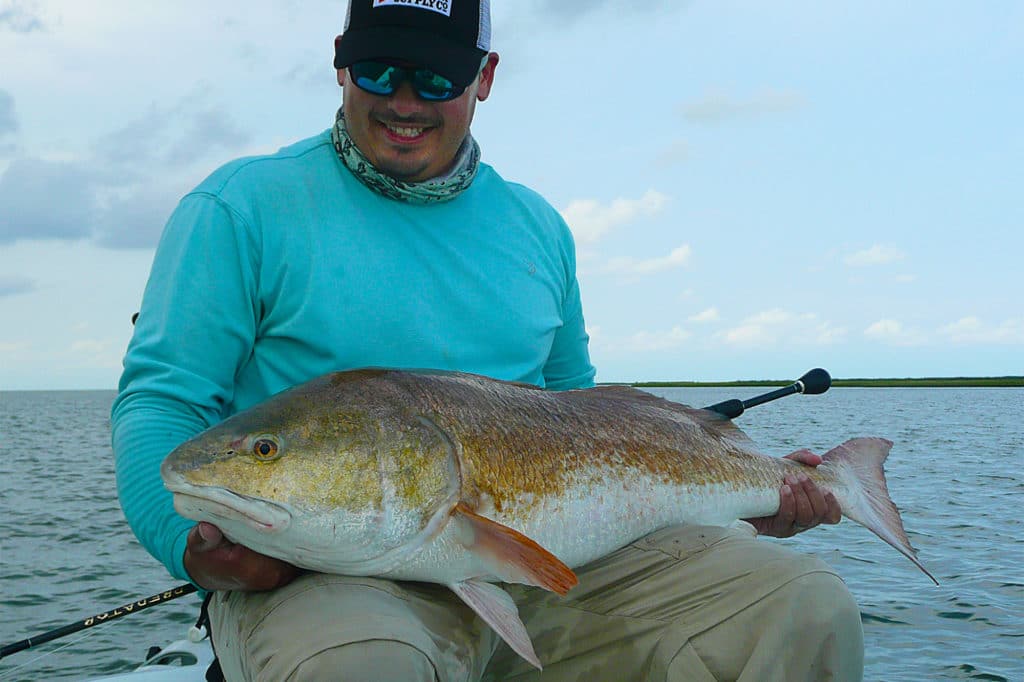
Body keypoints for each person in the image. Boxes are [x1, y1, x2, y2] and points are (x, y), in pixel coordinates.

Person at [112, 1, 862, 680]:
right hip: (327, 575)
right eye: (378, 71)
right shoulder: (238, 207)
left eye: (436, 79)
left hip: (541, 567)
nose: (404, 101)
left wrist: (749, 495)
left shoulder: (537, 228)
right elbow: (162, 399)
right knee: (366, 668)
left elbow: (583, 417)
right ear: (340, 61)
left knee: (803, 603)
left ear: (485, 76)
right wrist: (188, 547)